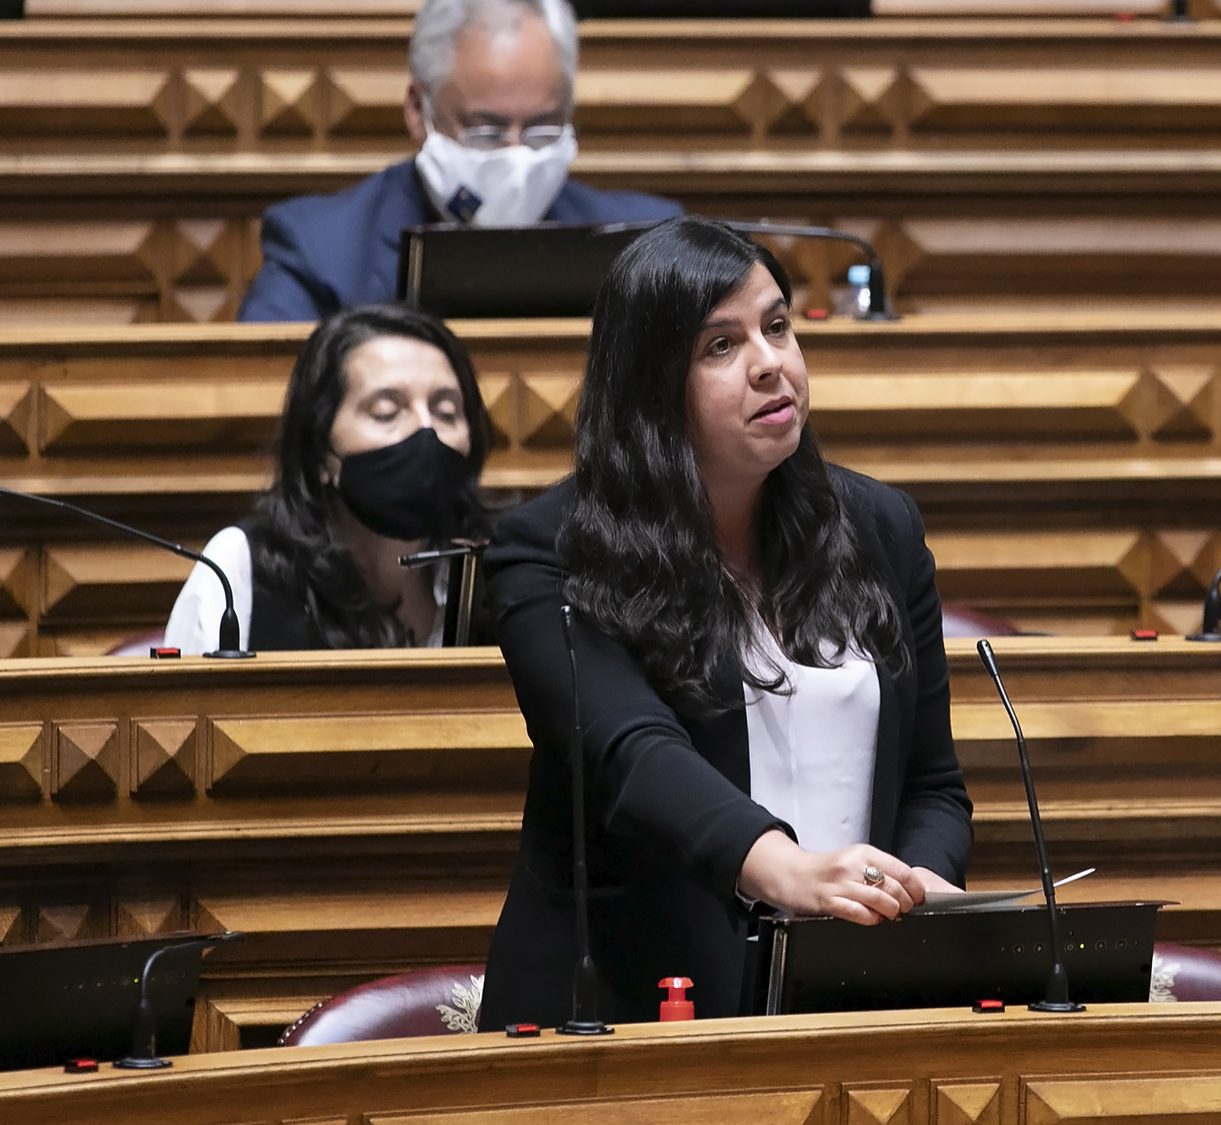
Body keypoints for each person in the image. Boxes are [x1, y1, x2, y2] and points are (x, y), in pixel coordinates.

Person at [476, 217, 973, 1027]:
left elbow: (931, 784)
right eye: (720, 345)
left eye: (777, 326)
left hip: (846, 994)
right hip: (627, 1011)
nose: (770, 362)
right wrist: (789, 869)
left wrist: (916, 887)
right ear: (650, 383)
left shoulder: (882, 527)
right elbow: (633, 755)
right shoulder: (551, 552)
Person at [237, 0, 680, 322]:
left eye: (542, 129)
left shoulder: (651, 245)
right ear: (418, 110)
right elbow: (263, 393)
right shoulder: (319, 250)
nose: (516, 156)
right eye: (485, 131)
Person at [165, 304, 492, 652]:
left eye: (446, 412)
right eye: (386, 412)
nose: (426, 430)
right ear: (321, 451)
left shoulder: (499, 566)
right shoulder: (243, 564)